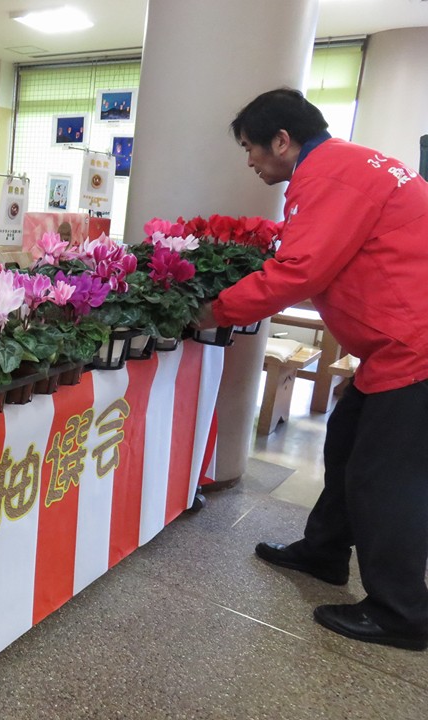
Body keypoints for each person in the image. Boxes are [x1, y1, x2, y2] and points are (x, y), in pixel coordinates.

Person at [194, 88, 428, 652]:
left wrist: (207, 311)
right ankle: (324, 553)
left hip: (414, 345)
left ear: (282, 140)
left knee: (385, 478)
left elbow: (297, 272)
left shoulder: (330, 176)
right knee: (346, 444)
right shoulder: (341, 166)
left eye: (251, 147)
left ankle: (403, 613)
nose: (249, 161)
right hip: (395, 344)